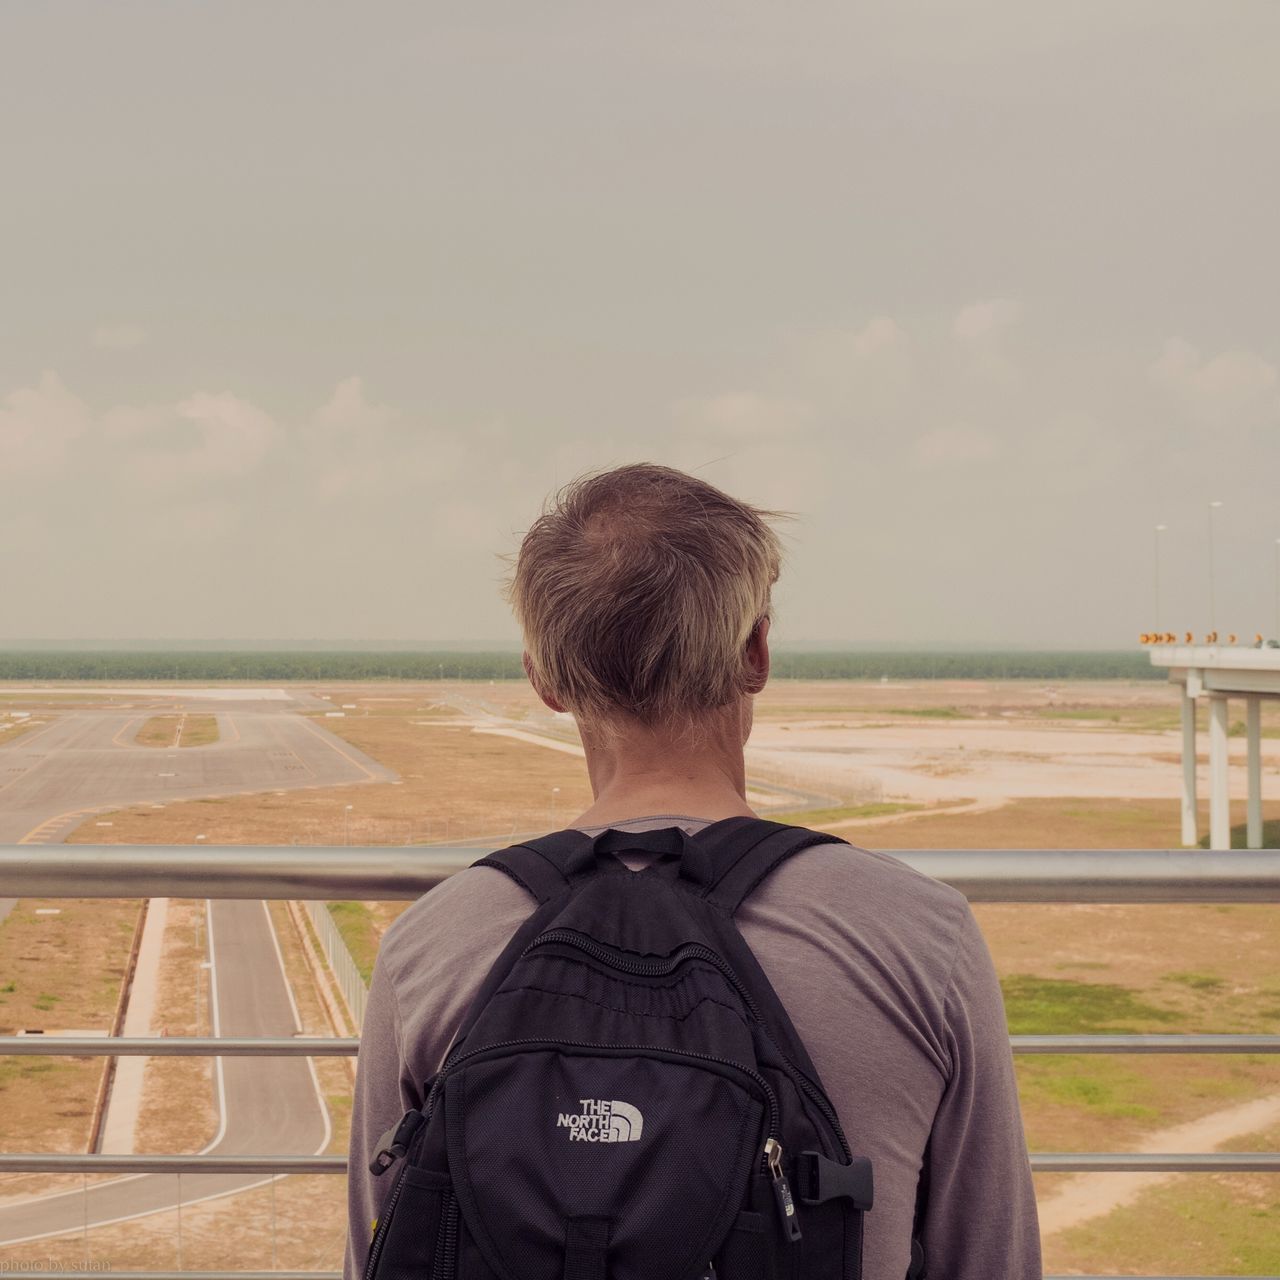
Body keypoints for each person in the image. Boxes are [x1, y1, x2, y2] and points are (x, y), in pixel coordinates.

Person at [344, 463, 1041, 1279]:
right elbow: (989, 1260)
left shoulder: (432, 944)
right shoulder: (918, 936)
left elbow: (380, 1254)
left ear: (544, 681)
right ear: (756, 653)